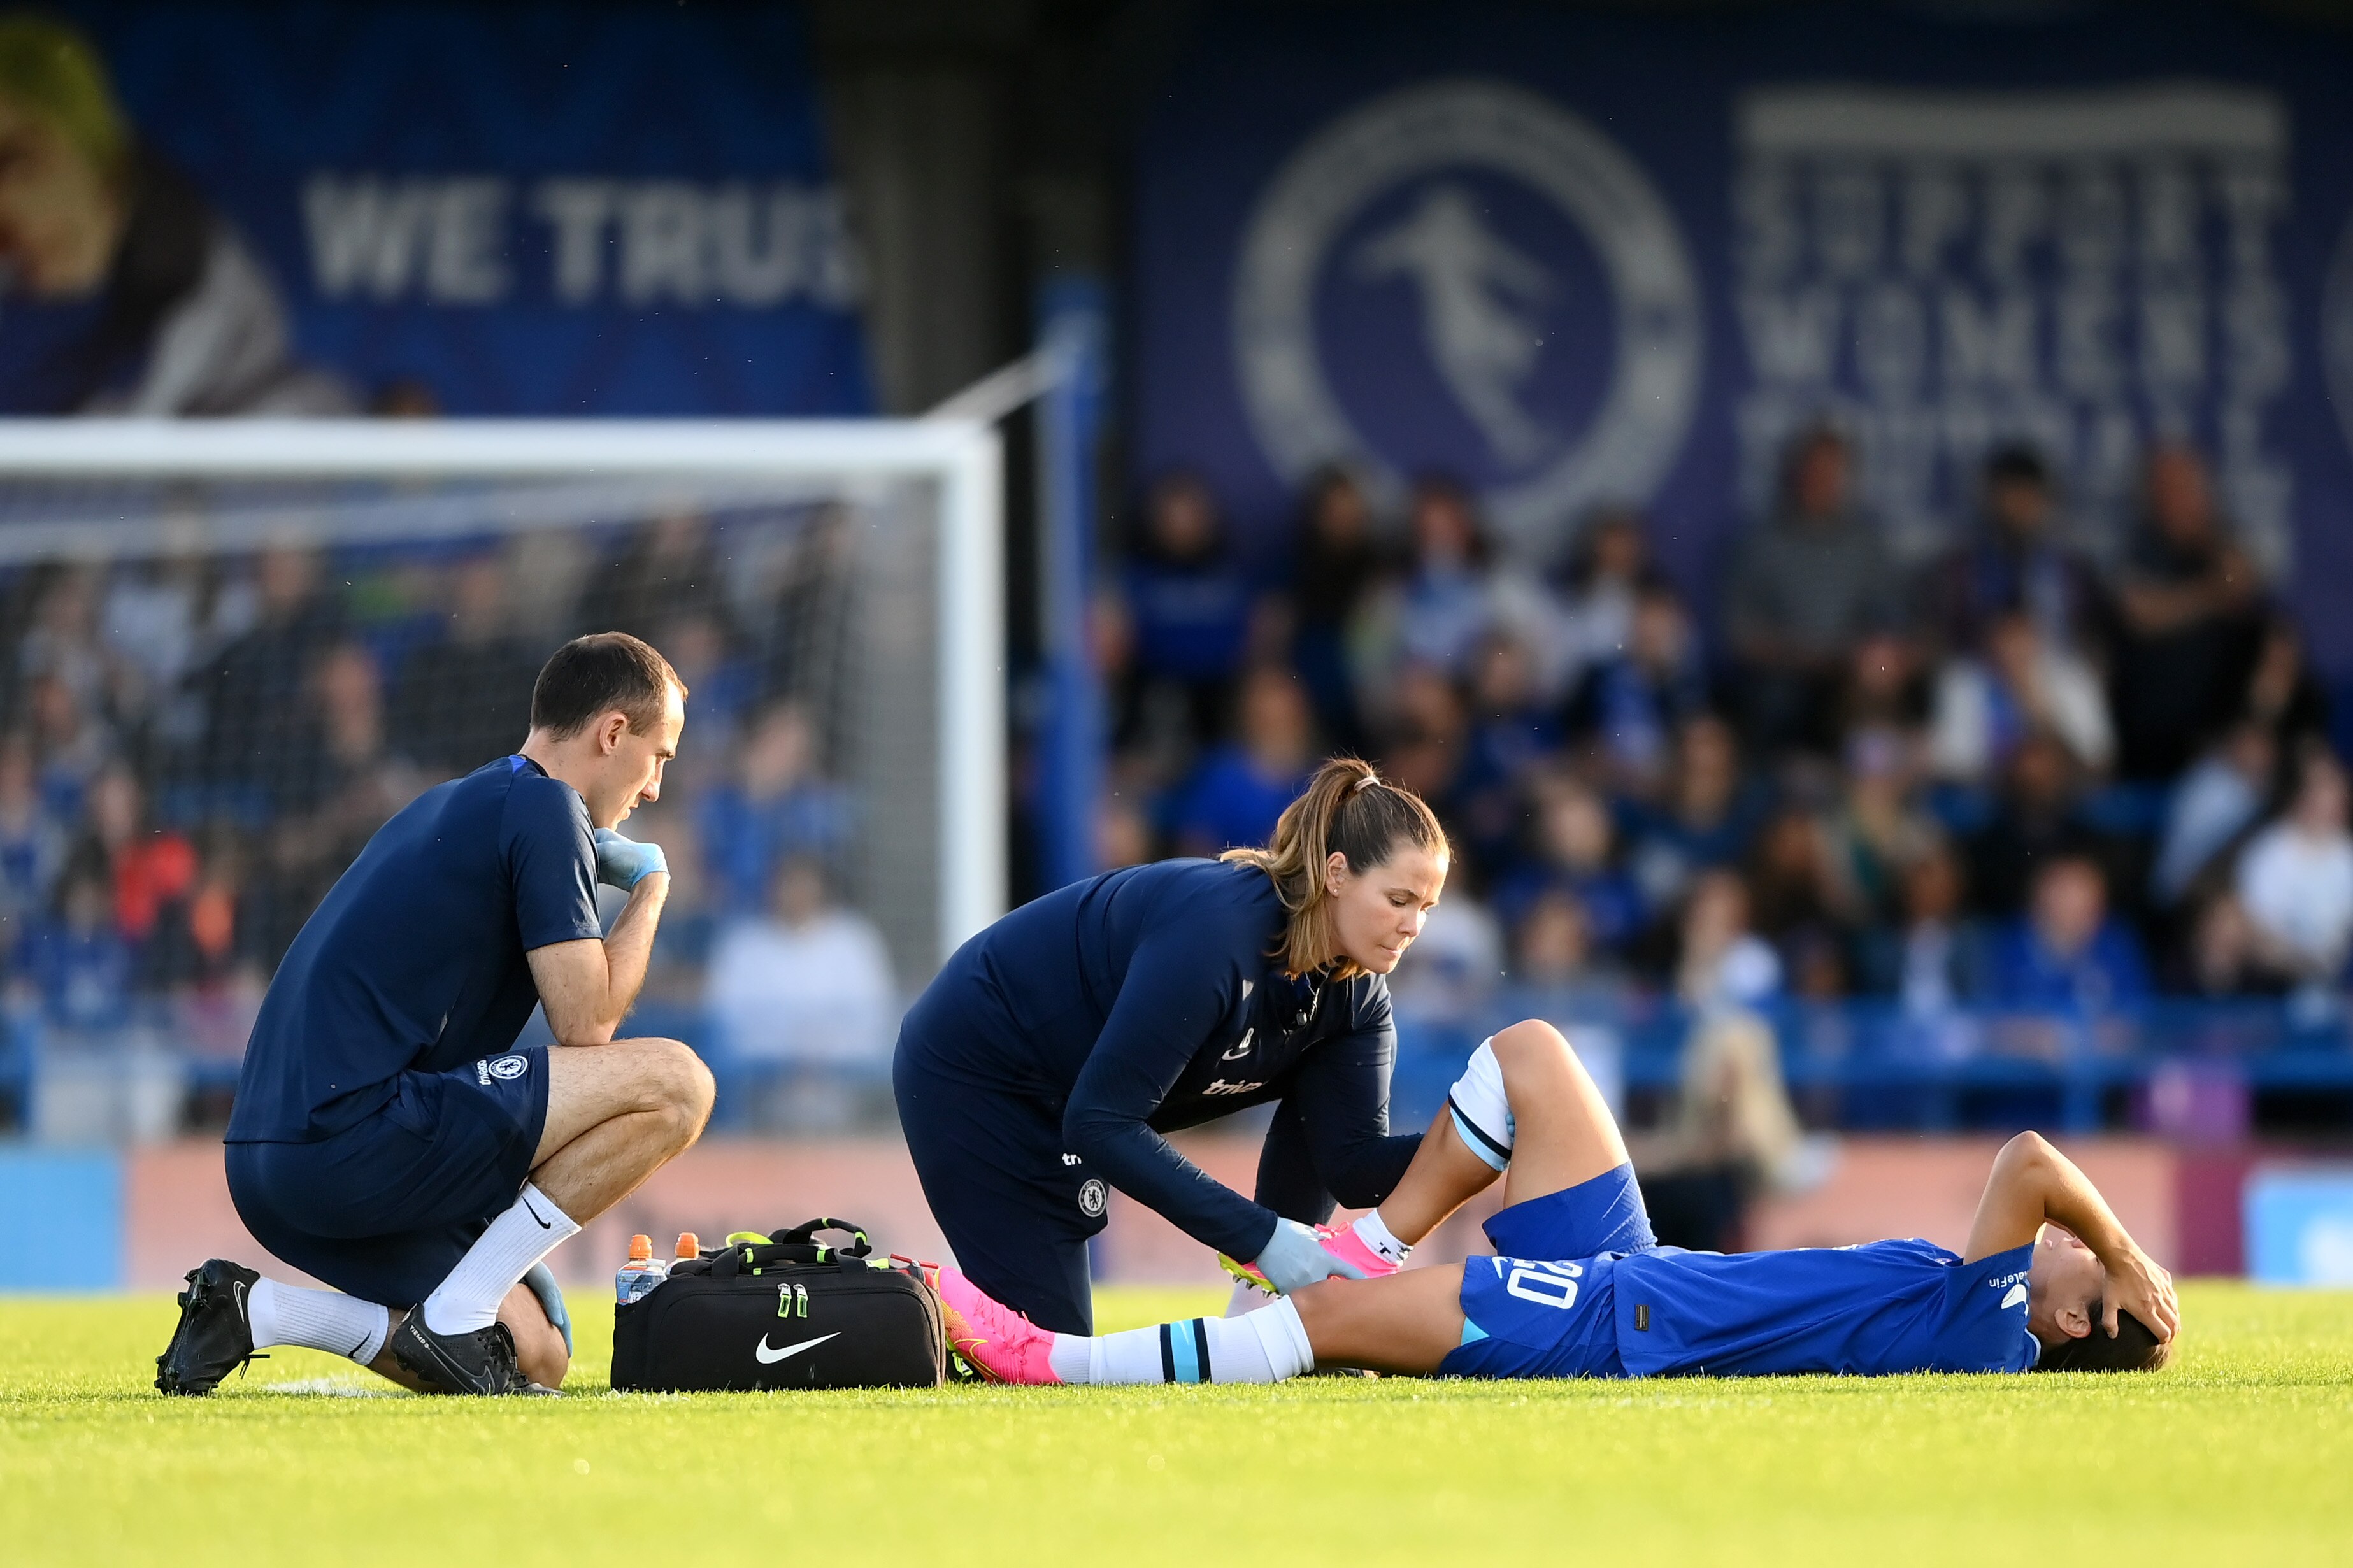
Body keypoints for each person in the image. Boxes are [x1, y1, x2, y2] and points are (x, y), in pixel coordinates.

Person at [934, 1018, 2177, 1386]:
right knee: (1531, 1054)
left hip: (1614, 1329)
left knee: (1315, 1326)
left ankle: (1056, 1361)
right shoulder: (1985, 1317)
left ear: (2067, 1322)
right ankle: (1368, 1241)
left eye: (2084, 1273)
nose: (2071, 1247)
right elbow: (2026, 1182)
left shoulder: (1992, 1328)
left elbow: (2024, 1156)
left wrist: (2122, 1251)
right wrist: (2110, 1264)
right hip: (1640, 1276)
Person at [154, 633, 714, 1397]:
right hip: (346, 1135)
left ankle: (258, 1312)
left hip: (270, 1160)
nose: (654, 788)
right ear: (612, 733)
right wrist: (651, 888)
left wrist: (503, 1243)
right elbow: (588, 1026)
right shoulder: (546, 807)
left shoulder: (465, 798)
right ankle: (457, 1312)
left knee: (535, 1355)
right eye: (661, 756)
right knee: (679, 1084)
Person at [892, 758, 1447, 1334]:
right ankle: (864, 1311)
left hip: (1076, 1093)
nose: (1414, 926)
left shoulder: (1358, 996)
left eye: (1426, 908)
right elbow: (1101, 1122)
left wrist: (1477, 1131)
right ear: (1337, 874)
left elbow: (1354, 1166)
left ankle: (1270, 1317)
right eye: (1399, 899)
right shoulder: (1218, 935)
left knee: (1055, 1358)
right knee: (1042, 1360)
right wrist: (1261, 1236)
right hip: (979, 1068)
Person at [0, 17, 348, 413]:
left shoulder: (193, 293)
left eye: (18, 163)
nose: (5, 204)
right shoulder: (29, 289)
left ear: (105, 173)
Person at [1723, 426, 1898, 754]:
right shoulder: (1761, 545)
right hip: (1787, 682)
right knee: (1774, 701)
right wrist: (1815, 657)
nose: (1824, 480)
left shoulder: (1867, 545)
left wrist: (1878, 656)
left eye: (1834, 471)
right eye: (1815, 469)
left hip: (1853, 683)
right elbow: (1742, 639)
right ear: (1796, 473)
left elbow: (1900, 628)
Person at [2233, 748, 2353, 989]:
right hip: (2276, 986)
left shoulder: (2346, 853)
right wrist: (2304, 967)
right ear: (2302, 794)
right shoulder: (2267, 854)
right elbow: (2254, 935)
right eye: (2322, 788)